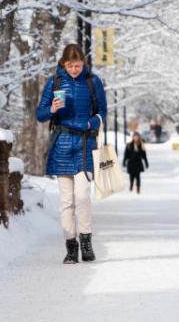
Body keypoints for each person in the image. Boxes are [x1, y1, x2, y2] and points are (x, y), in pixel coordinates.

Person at [35, 44, 107, 264]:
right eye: (70, 65)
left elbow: (102, 112)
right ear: (63, 64)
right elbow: (40, 114)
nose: (74, 69)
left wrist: (90, 122)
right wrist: (52, 110)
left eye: (77, 65)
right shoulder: (54, 82)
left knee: (83, 196)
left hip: (85, 143)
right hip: (62, 144)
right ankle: (70, 246)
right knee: (67, 201)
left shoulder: (92, 82)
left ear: (83, 63)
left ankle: (86, 241)